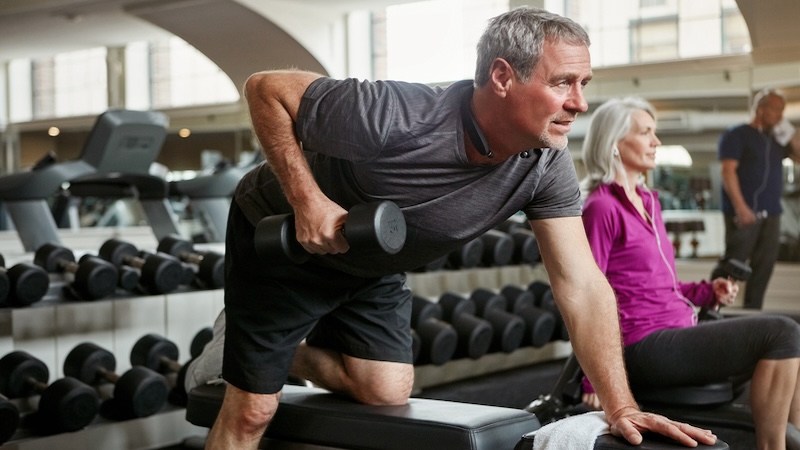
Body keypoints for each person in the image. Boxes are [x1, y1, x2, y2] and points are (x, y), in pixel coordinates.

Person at [205, 7, 717, 449]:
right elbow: (265, 89)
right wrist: (307, 201)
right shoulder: (396, 114)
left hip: (371, 262)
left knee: (385, 389)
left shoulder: (545, 165)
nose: (580, 102)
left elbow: (581, 283)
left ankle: (256, 349)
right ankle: (248, 354)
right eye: (563, 82)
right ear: (502, 77)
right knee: (253, 411)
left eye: (584, 84)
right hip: (283, 243)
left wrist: (621, 407)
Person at [579, 96, 800, 450]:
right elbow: (586, 296)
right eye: (645, 133)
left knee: (794, 325)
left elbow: (661, 285)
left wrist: (707, 291)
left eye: (655, 132)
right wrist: (595, 381)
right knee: (781, 332)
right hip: (643, 344)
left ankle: (793, 436)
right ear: (614, 143)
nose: (656, 141)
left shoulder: (649, 202)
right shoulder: (602, 207)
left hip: (678, 329)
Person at [717, 88, 800, 309]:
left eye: (782, 111)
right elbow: (727, 171)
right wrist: (741, 208)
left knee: (764, 268)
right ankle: (710, 311)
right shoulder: (737, 134)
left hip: (771, 214)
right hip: (744, 213)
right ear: (760, 109)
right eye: (776, 109)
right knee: (732, 265)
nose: (780, 115)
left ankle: (752, 314)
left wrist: (790, 132)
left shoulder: (776, 141)